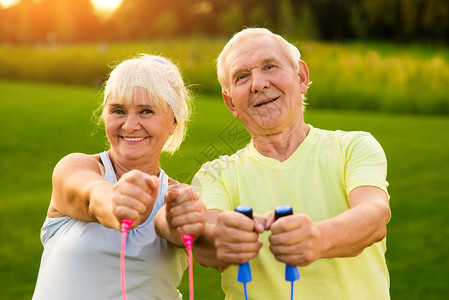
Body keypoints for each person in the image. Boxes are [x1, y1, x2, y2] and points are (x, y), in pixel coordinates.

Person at [191, 28, 391, 299]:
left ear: (301, 77)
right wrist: (223, 240)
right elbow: (204, 242)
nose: (258, 84)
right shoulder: (215, 174)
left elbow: (375, 215)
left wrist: (318, 239)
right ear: (231, 104)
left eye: (270, 66)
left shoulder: (353, 147)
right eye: (242, 76)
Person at [32, 54, 206, 300]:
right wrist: (117, 201)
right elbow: (93, 196)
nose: (130, 125)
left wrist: (181, 222)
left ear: (173, 123)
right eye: (118, 111)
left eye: (146, 111)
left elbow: (171, 225)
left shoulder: (178, 197)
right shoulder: (75, 167)